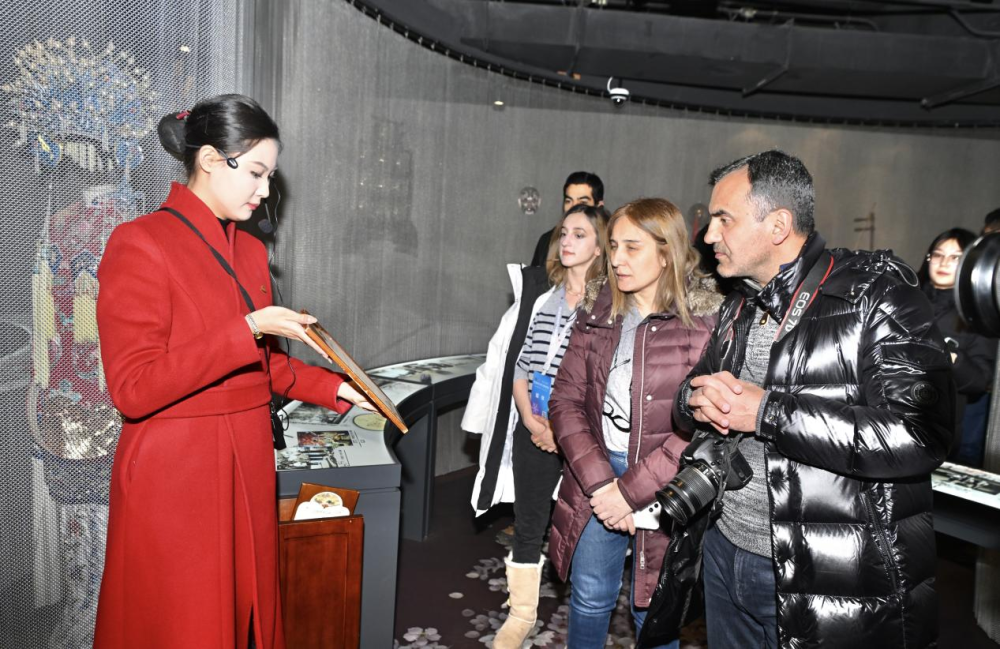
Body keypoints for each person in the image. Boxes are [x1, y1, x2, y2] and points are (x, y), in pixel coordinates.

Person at [643, 150, 954, 649]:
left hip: (826, 574)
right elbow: (691, 394)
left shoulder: (878, 297)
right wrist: (695, 400)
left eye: (723, 219)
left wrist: (766, 413)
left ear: (778, 225)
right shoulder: (742, 301)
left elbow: (920, 436)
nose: (708, 235)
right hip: (724, 548)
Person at [93, 94, 372, 649]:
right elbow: (133, 389)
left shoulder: (248, 251)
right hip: (177, 472)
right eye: (257, 173)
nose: (265, 191)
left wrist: (338, 388)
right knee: (183, 624)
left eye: (270, 176)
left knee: (247, 619)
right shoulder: (140, 242)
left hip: (246, 459)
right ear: (209, 160)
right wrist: (245, 329)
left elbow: (262, 368)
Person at [547, 198, 722, 647]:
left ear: (666, 253)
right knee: (589, 598)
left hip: (668, 482)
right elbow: (566, 401)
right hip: (596, 471)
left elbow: (699, 429)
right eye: (612, 246)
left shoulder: (706, 323)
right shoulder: (598, 310)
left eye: (632, 247)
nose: (616, 259)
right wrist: (602, 485)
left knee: (654, 610)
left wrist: (629, 493)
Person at [464, 204, 609, 648]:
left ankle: (586, 609)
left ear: (600, 247)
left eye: (580, 235)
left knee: (583, 526)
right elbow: (521, 364)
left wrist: (561, 432)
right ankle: (522, 614)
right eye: (564, 233)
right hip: (534, 424)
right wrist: (529, 418)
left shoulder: (608, 305)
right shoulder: (545, 299)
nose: (566, 241)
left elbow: (601, 380)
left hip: (580, 435)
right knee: (529, 521)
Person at [918, 228, 995, 467]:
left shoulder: (977, 313)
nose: (943, 263)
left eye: (955, 258)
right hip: (887, 415)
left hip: (938, 431)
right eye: (938, 254)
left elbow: (980, 381)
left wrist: (951, 356)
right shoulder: (904, 299)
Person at [530, 171, 605, 267]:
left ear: (599, 206)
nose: (573, 207)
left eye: (583, 202)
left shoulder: (610, 241)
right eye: (568, 201)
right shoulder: (547, 240)